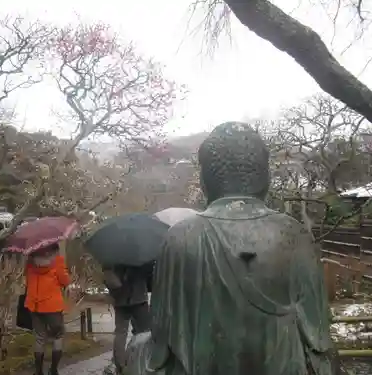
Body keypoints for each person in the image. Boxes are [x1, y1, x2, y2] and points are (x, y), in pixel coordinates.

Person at [125, 122, 338, 375]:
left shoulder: (181, 238)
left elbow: (162, 342)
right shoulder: (294, 234)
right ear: (264, 176)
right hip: (281, 366)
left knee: (138, 347)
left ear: (205, 180)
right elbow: (317, 335)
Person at [25, 243, 70, 375]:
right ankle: (53, 370)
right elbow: (65, 281)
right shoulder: (57, 261)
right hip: (53, 306)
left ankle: (38, 372)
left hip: (35, 305)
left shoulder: (30, 261)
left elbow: (27, 281)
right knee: (58, 335)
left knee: (39, 338)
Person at [103, 261, 153, 374]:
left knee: (120, 332)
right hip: (139, 297)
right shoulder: (141, 256)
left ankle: (119, 365)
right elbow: (150, 278)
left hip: (120, 298)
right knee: (145, 331)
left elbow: (107, 276)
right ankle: (141, 359)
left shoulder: (113, 256)